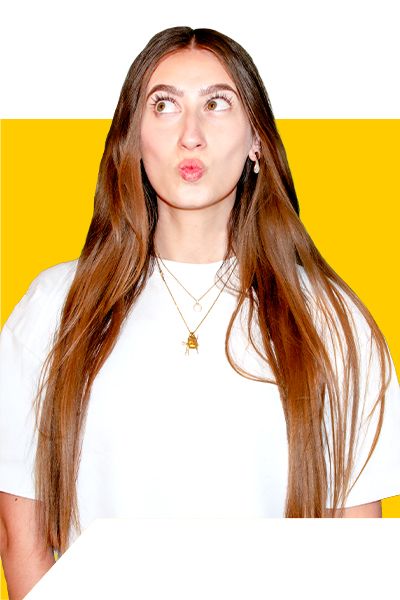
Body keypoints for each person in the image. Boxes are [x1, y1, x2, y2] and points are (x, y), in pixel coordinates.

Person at [1, 25, 400, 598]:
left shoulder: (331, 321)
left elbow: (355, 552)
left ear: (257, 138)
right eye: (164, 105)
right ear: (134, 138)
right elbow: (22, 539)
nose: (191, 135)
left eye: (216, 104)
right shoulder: (56, 307)